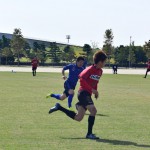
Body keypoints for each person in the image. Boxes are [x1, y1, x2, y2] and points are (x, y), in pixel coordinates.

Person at [48, 50, 107, 139]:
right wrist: (92, 89)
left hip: (87, 94)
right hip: (83, 93)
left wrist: (95, 91)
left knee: (78, 118)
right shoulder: (89, 69)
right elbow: (81, 79)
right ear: (100, 62)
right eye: (104, 61)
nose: (105, 63)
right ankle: (89, 134)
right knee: (93, 111)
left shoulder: (100, 71)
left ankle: (59, 107)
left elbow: (96, 82)